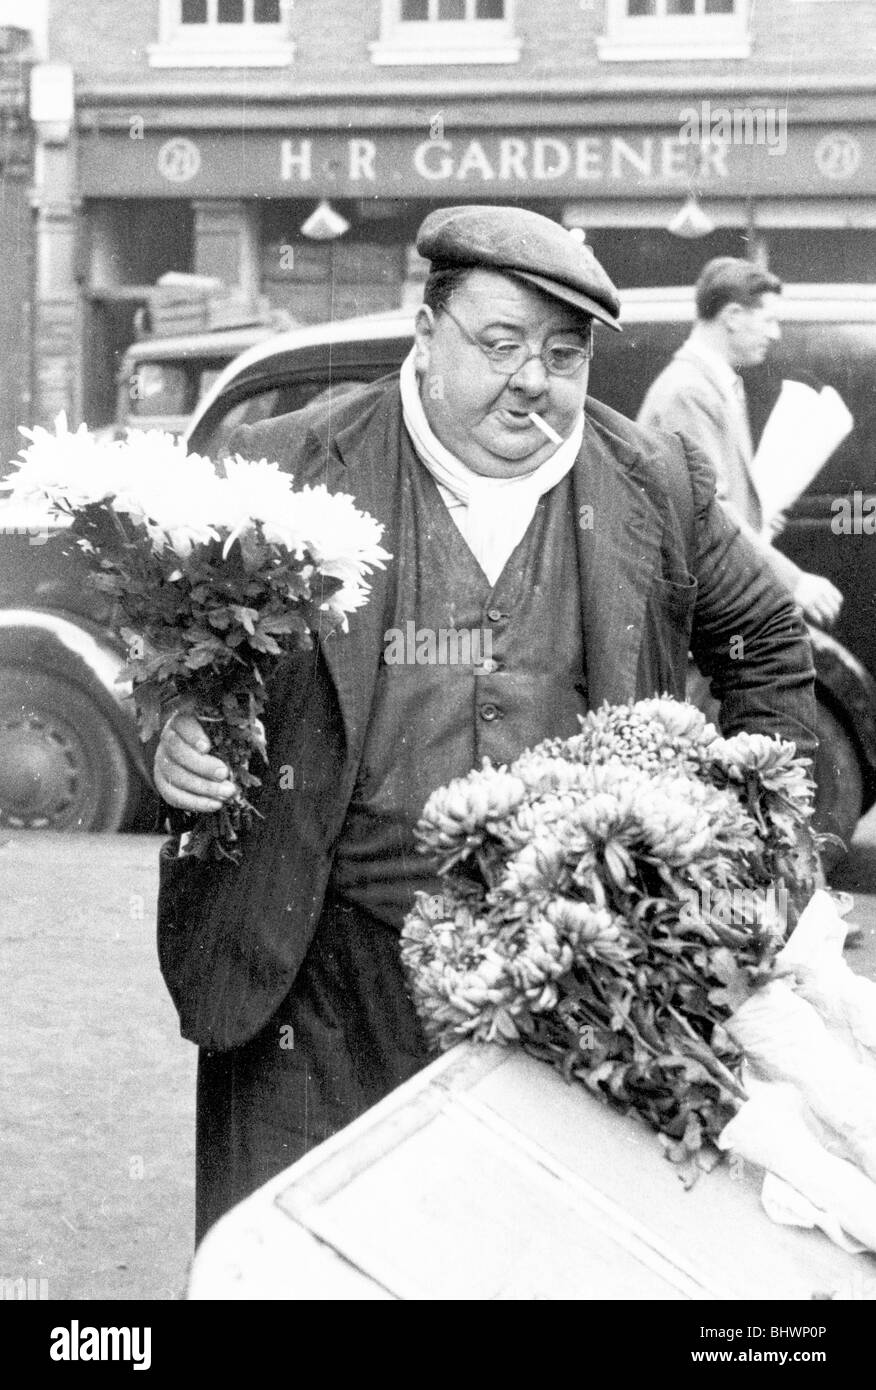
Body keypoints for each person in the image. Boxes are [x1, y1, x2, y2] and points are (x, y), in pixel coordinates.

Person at [152, 206, 818, 1243]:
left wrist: (748, 852)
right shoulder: (282, 463)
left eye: (564, 354)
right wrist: (178, 733)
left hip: (562, 989)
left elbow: (768, 641)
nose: (532, 381)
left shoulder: (655, 481)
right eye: (500, 344)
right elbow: (181, 646)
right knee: (292, 1269)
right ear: (427, 335)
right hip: (314, 977)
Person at [637, 257, 843, 629]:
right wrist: (793, 581)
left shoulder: (709, 385)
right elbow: (710, 511)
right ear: (732, 316)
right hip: (697, 612)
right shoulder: (690, 392)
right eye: (769, 320)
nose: (775, 334)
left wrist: (756, 513)